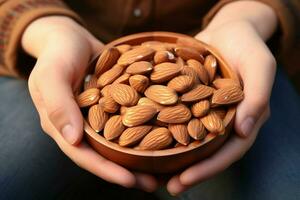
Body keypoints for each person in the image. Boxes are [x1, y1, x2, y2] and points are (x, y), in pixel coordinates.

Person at [0, 0, 299, 199]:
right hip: (65, 60)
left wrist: (250, 15)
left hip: (233, 57)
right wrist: (45, 28)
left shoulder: (198, 93)